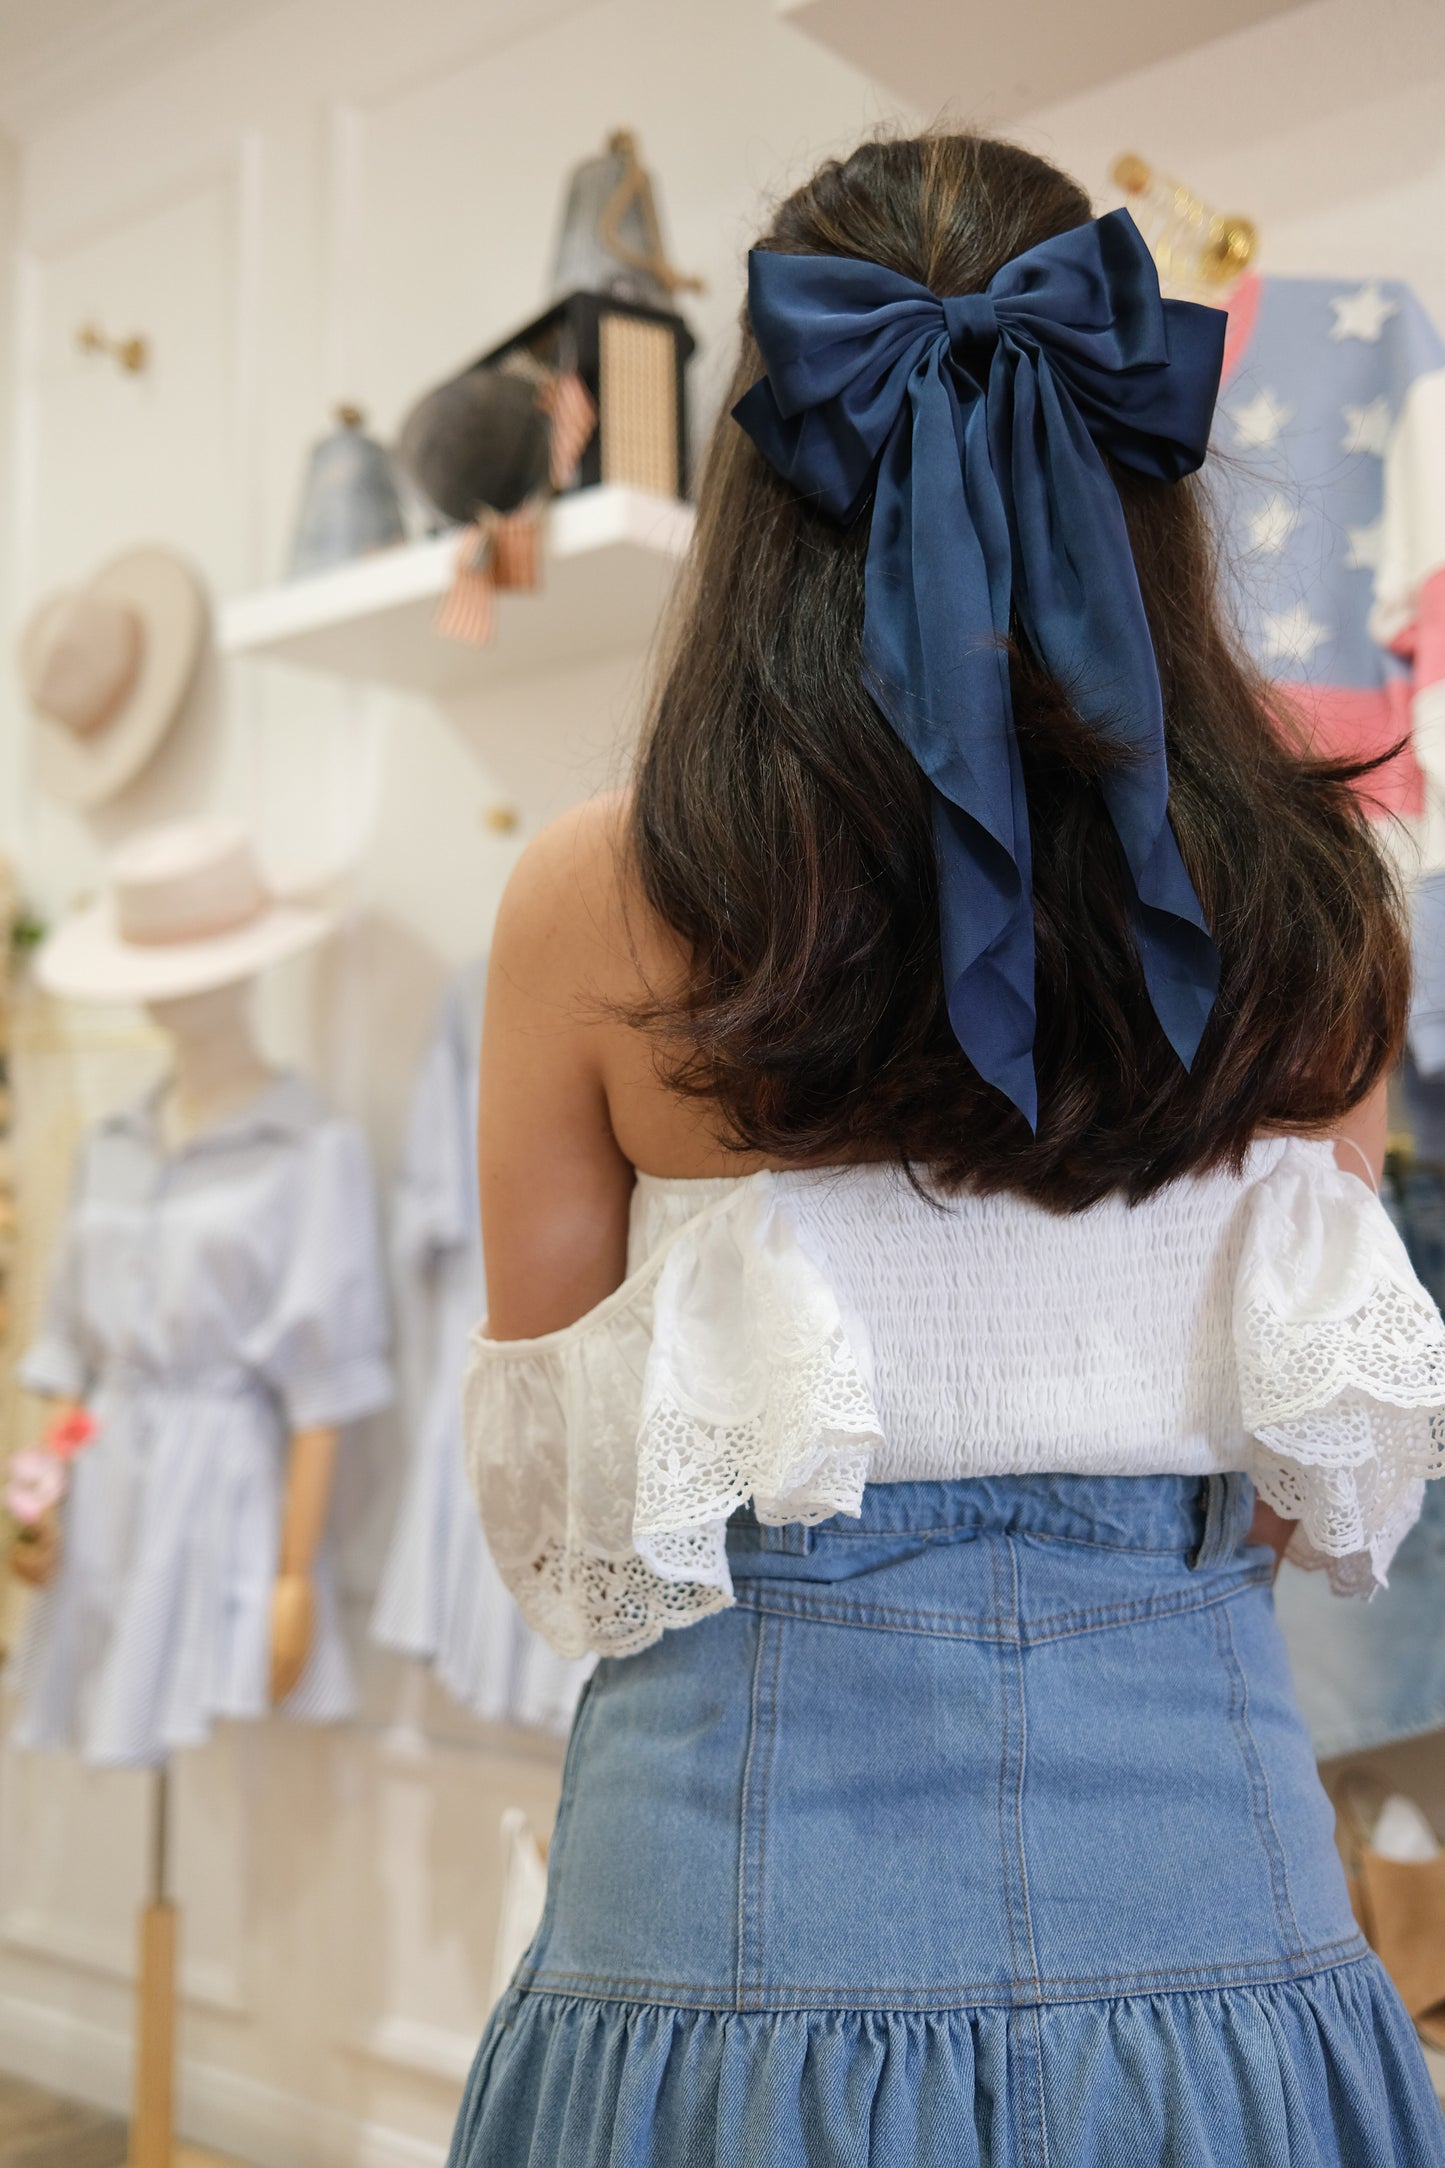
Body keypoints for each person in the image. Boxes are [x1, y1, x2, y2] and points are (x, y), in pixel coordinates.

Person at [448, 133, 1445, 2166]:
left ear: (765, 484)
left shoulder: (596, 903)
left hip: (728, 1908)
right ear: (1137, 477)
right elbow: (1298, 1497)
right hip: (1201, 1883)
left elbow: (572, 1518)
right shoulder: (1321, 906)